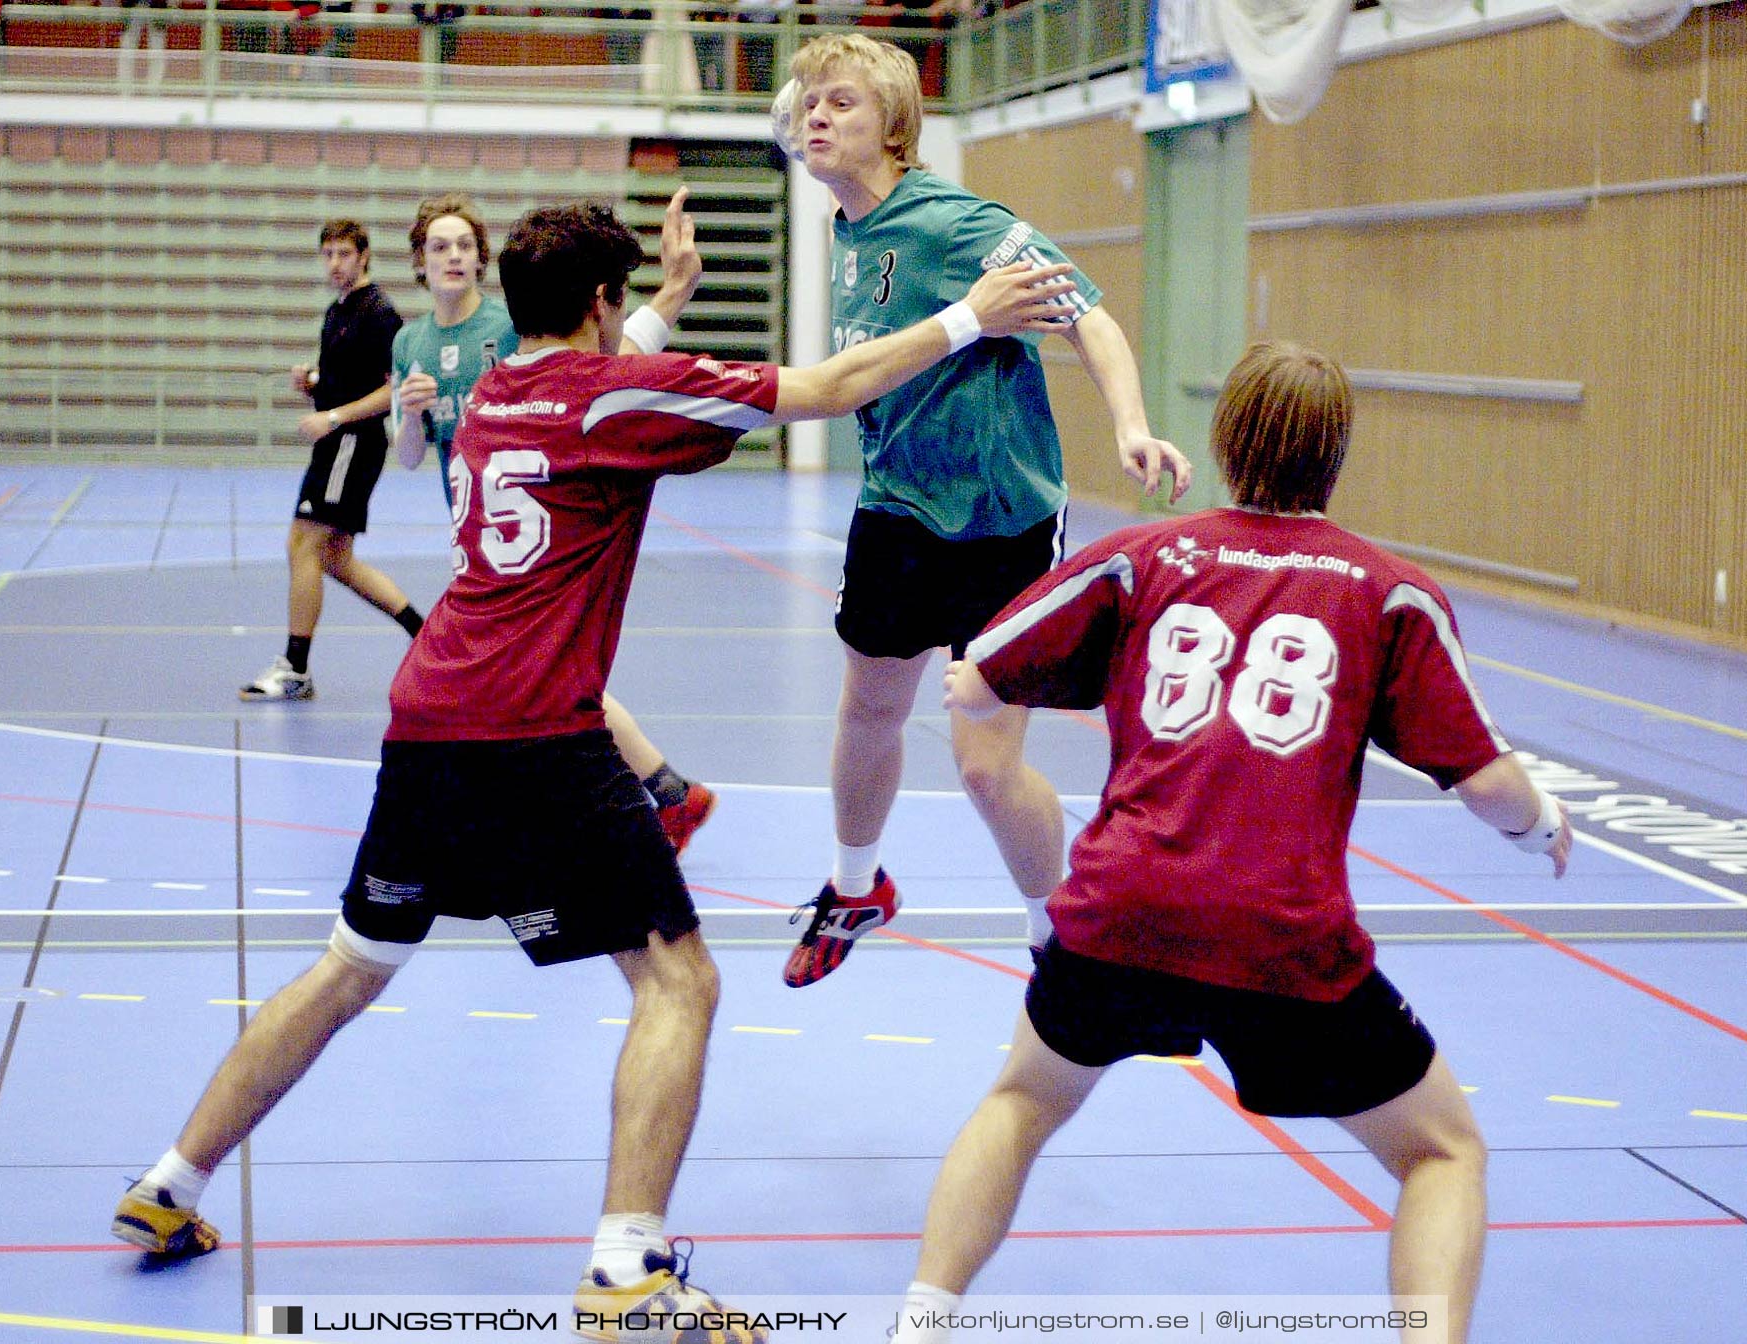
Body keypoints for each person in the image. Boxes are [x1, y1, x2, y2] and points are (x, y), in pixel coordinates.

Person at [108, 197, 1079, 1343]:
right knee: (680, 983)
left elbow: (623, 376)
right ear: (599, 305)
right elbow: (819, 390)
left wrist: (665, 302)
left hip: (427, 726)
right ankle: (628, 1270)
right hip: (538, 739)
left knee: (346, 970)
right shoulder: (609, 397)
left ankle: (168, 1184)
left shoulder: (494, 400)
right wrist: (971, 314)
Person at [888, 340, 1575, 1344]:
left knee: (1024, 1100)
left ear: (1224, 441)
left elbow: (980, 674)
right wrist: (1543, 825)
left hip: (1120, 910)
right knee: (1442, 1153)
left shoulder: (1149, 558)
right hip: (1283, 938)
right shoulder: (1386, 591)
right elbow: (1487, 785)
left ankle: (921, 1321)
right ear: (1337, 456)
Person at [778, 33, 1194, 988]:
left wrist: (1130, 424)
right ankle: (855, 887)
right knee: (869, 708)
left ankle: (1063, 937)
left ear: (893, 126)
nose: (818, 114)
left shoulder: (956, 222)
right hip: (896, 505)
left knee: (981, 764)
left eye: (841, 101)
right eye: (809, 102)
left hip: (999, 522)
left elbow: (1086, 311)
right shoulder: (845, 229)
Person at [391, 191, 717, 851]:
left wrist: (673, 295)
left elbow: (607, 369)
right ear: (420, 265)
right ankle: (666, 792)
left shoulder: (518, 328)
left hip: (550, 516)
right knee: (542, 678)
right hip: (483, 527)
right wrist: (409, 415)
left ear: (484, 262)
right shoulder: (410, 341)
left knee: (537, 679)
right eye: (438, 247)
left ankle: (653, 795)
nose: (452, 257)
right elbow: (409, 458)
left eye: (463, 245)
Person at [240, 219, 424, 702]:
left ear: (363, 256)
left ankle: (296, 668)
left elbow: (393, 389)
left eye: (344, 253)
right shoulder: (336, 312)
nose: (335, 262)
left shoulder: (379, 313)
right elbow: (346, 380)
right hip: (335, 442)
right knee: (336, 559)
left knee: (301, 545)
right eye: (327, 254)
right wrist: (314, 385)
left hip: (353, 444)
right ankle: (426, 636)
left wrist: (336, 416)